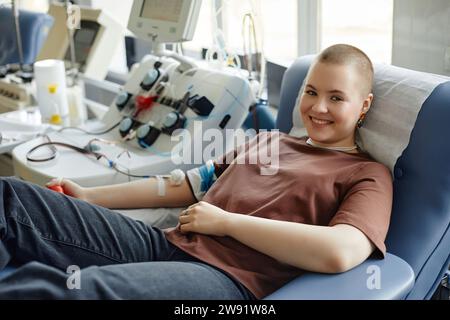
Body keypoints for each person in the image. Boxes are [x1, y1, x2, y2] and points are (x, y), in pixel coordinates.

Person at [0, 44, 392, 299]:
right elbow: (184, 185)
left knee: (73, 291)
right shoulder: (268, 141)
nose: (318, 107)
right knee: (11, 198)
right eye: (311, 92)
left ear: (363, 105)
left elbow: (342, 251)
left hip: (229, 279)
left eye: (336, 97)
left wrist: (226, 223)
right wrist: (88, 196)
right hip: (168, 244)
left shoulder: (367, 174)